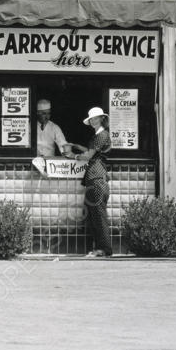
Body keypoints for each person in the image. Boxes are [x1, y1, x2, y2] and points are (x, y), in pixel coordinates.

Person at [73, 106, 113, 258]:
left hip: (97, 178)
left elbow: (89, 155)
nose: (93, 121)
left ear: (102, 118)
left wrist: (75, 156)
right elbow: (92, 152)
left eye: (96, 118)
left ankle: (105, 250)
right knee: (94, 216)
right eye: (91, 119)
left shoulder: (102, 135)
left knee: (98, 215)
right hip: (95, 178)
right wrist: (77, 147)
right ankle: (100, 249)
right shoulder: (99, 136)